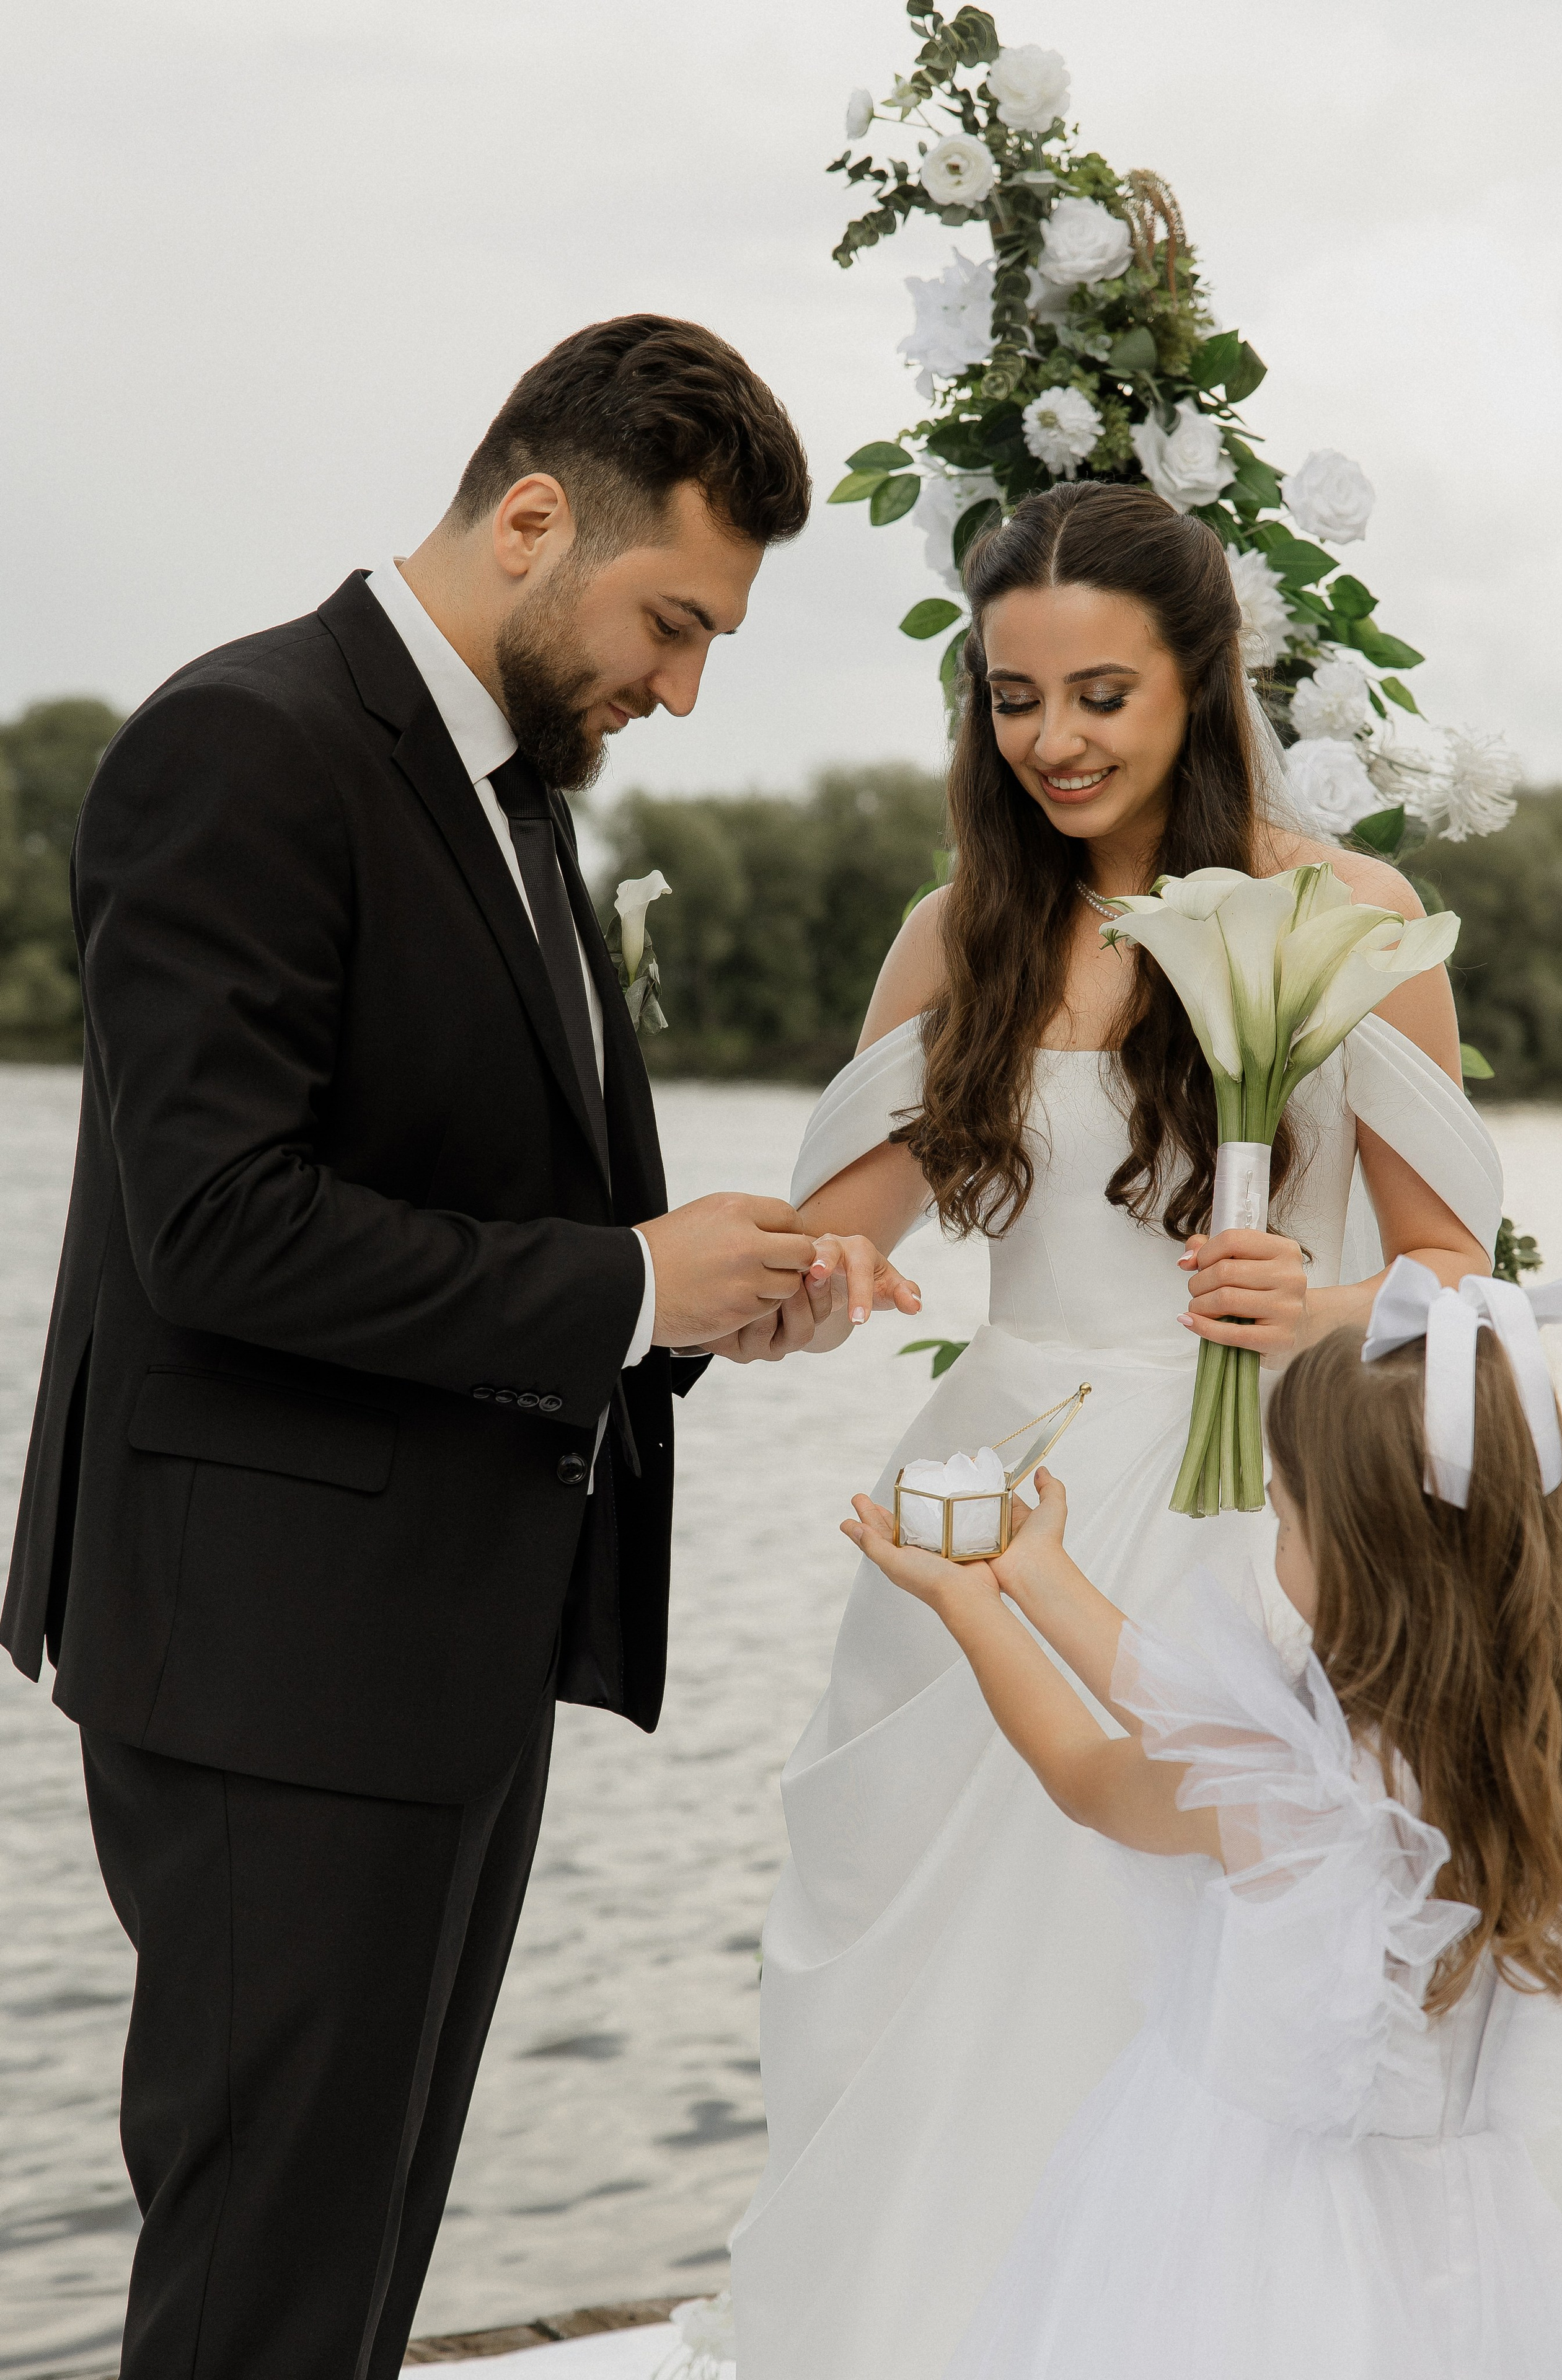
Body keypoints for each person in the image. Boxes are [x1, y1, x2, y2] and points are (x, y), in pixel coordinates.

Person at [0, 314, 910, 2380]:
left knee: (349, 2285)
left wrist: (706, 1304)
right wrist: (624, 1290)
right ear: (529, 518)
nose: (678, 687)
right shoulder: (243, 744)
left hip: (433, 1663)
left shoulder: (517, 793)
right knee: (260, 2298)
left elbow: (513, 1207)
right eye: (673, 621)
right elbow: (216, 1228)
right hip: (268, 1671)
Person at [730, 483, 1511, 2378]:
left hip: (1244, 1507)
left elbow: (1457, 1286)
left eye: (1100, 695)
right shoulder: (958, 931)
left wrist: (1320, 1310)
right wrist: (816, 1292)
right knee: (922, 1980)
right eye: (1012, 700)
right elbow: (828, 1249)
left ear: (1201, 680)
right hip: (988, 1503)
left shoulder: (1354, 918)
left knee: (1150, 1976)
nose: (1055, 742)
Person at [840, 1258, 1562, 2378]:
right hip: (1468, 2234)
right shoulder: (1548, 1759)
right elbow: (1202, 1716)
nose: (1275, 1544)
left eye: (1285, 1520)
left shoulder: (1292, 1784)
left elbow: (1088, 1771)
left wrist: (966, 1604)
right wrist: (1042, 1577)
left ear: (1352, 1557)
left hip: (1257, 2229)